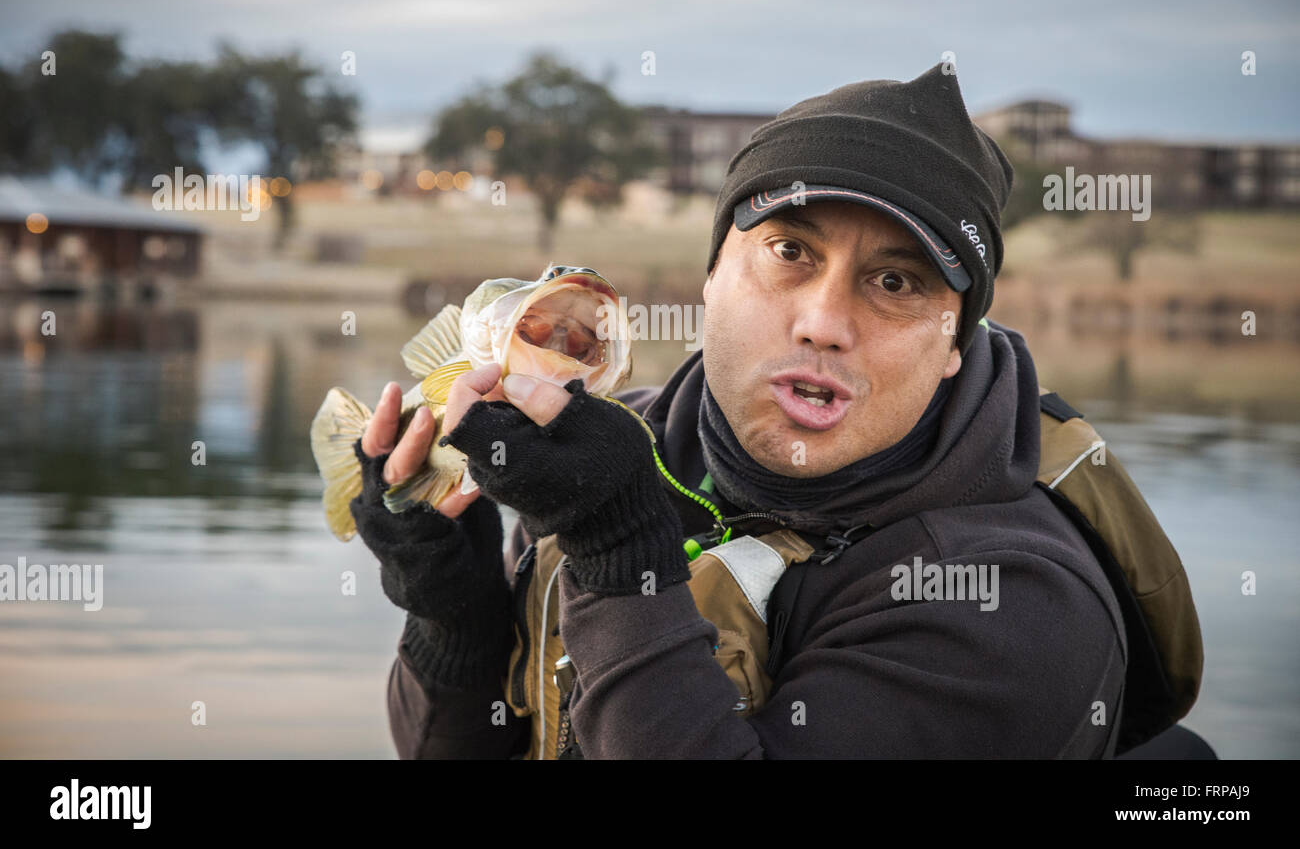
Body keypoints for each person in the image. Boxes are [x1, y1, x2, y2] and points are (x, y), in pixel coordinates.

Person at [351, 63, 1166, 758]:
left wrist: (617, 552)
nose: (823, 321)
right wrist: (453, 618)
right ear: (711, 274)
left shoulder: (1011, 603)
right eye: (789, 251)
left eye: (896, 281)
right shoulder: (607, 450)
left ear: (956, 339)